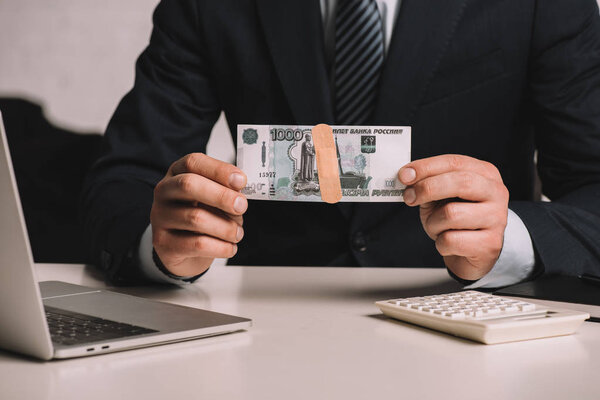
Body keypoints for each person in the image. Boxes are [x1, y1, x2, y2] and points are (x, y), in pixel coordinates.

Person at [81, 0, 600, 286]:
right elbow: (122, 179)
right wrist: (163, 244)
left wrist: (509, 238)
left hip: (465, 320)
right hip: (269, 327)